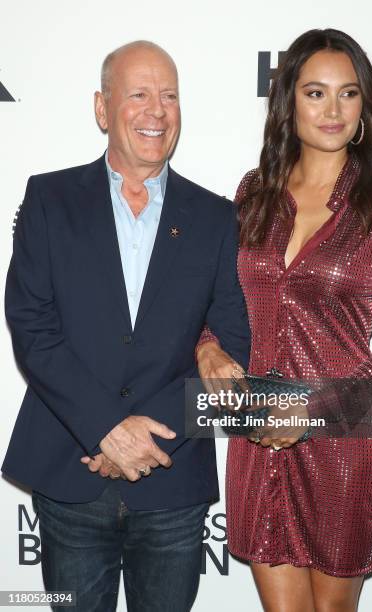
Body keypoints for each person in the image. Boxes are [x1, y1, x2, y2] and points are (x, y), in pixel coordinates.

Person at [2, 40, 250, 612]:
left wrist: (142, 434)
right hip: (71, 471)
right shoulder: (49, 198)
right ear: (101, 108)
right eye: (138, 94)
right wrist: (105, 428)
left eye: (169, 96)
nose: (156, 111)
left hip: (173, 482)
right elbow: (32, 326)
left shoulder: (215, 217)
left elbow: (232, 338)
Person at [197, 29, 372, 612]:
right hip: (259, 439)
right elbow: (213, 303)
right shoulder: (254, 196)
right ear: (288, 102)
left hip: (340, 440)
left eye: (348, 94)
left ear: (364, 107)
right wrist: (207, 348)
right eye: (315, 93)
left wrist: (311, 411)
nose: (332, 110)